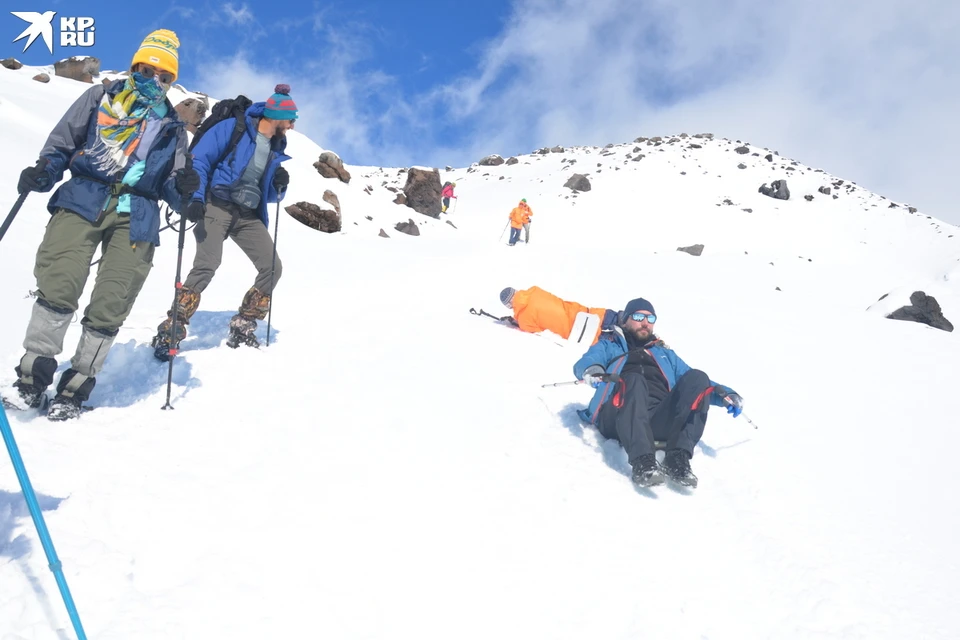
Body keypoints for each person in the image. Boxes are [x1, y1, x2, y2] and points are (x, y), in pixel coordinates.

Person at [8, 29, 196, 420]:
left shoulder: (173, 127)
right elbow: (63, 141)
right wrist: (44, 172)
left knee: (112, 302)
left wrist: (188, 193)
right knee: (60, 281)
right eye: (148, 69)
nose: (154, 80)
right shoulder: (100, 97)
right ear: (135, 66)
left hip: (138, 213)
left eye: (165, 77)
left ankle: (75, 387)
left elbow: (174, 188)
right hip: (84, 196)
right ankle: (32, 378)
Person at [151, 84, 295, 358]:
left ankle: (244, 323)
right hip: (217, 204)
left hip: (249, 214)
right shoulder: (234, 128)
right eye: (290, 121)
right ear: (276, 116)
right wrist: (194, 198)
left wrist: (279, 186)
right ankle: (172, 328)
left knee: (272, 267)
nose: (291, 127)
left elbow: (267, 192)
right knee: (207, 263)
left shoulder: (276, 146)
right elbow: (200, 161)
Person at [572, 297, 742, 488]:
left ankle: (677, 458)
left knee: (698, 377)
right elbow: (587, 362)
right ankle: (643, 461)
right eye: (638, 317)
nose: (645, 323)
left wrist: (725, 396)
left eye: (650, 319)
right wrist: (593, 371)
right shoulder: (610, 345)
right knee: (634, 379)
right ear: (625, 319)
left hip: (655, 418)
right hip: (617, 416)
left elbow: (694, 385)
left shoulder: (664, 354)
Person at [499, 286, 617, 344]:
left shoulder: (524, 321)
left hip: (579, 333)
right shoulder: (534, 290)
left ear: (509, 305)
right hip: (582, 313)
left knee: (617, 342)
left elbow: (537, 330)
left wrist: (516, 321)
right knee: (620, 319)